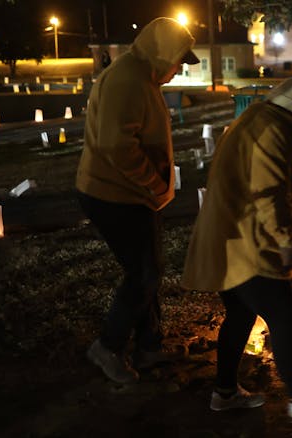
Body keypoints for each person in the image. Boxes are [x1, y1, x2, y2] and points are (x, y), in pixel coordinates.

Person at [181, 77, 292, 423]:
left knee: (241, 315)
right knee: (284, 314)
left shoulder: (253, 122)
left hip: (229, 238)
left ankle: (224, 392)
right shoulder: (274, 130)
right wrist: (286, 240)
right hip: (249, 242)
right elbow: (268, 190)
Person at [76, 17, 200, 384]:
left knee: (147, 269)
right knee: (144, 274)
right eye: (178, 61)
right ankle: (108, 347)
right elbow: (118, 146)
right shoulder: (128, 80)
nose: (179, 71)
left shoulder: (141, 77)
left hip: (131, 195)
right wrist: (153, 184)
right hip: (114, 194)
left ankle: (149, 346)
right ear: (161, 54)